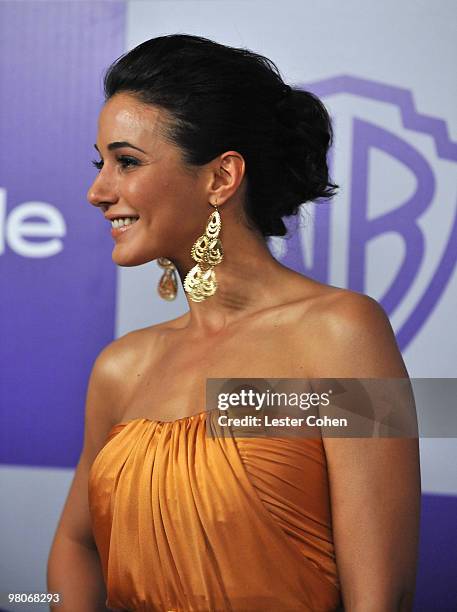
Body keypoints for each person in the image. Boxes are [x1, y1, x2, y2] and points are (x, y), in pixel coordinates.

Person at [47, 34, 421, 611]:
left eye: (126, 162)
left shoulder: (344, 332)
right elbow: (77, 545)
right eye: (102, 164)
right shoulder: (121, 368)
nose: (97, 191)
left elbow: (382, 597)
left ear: (221, 178)